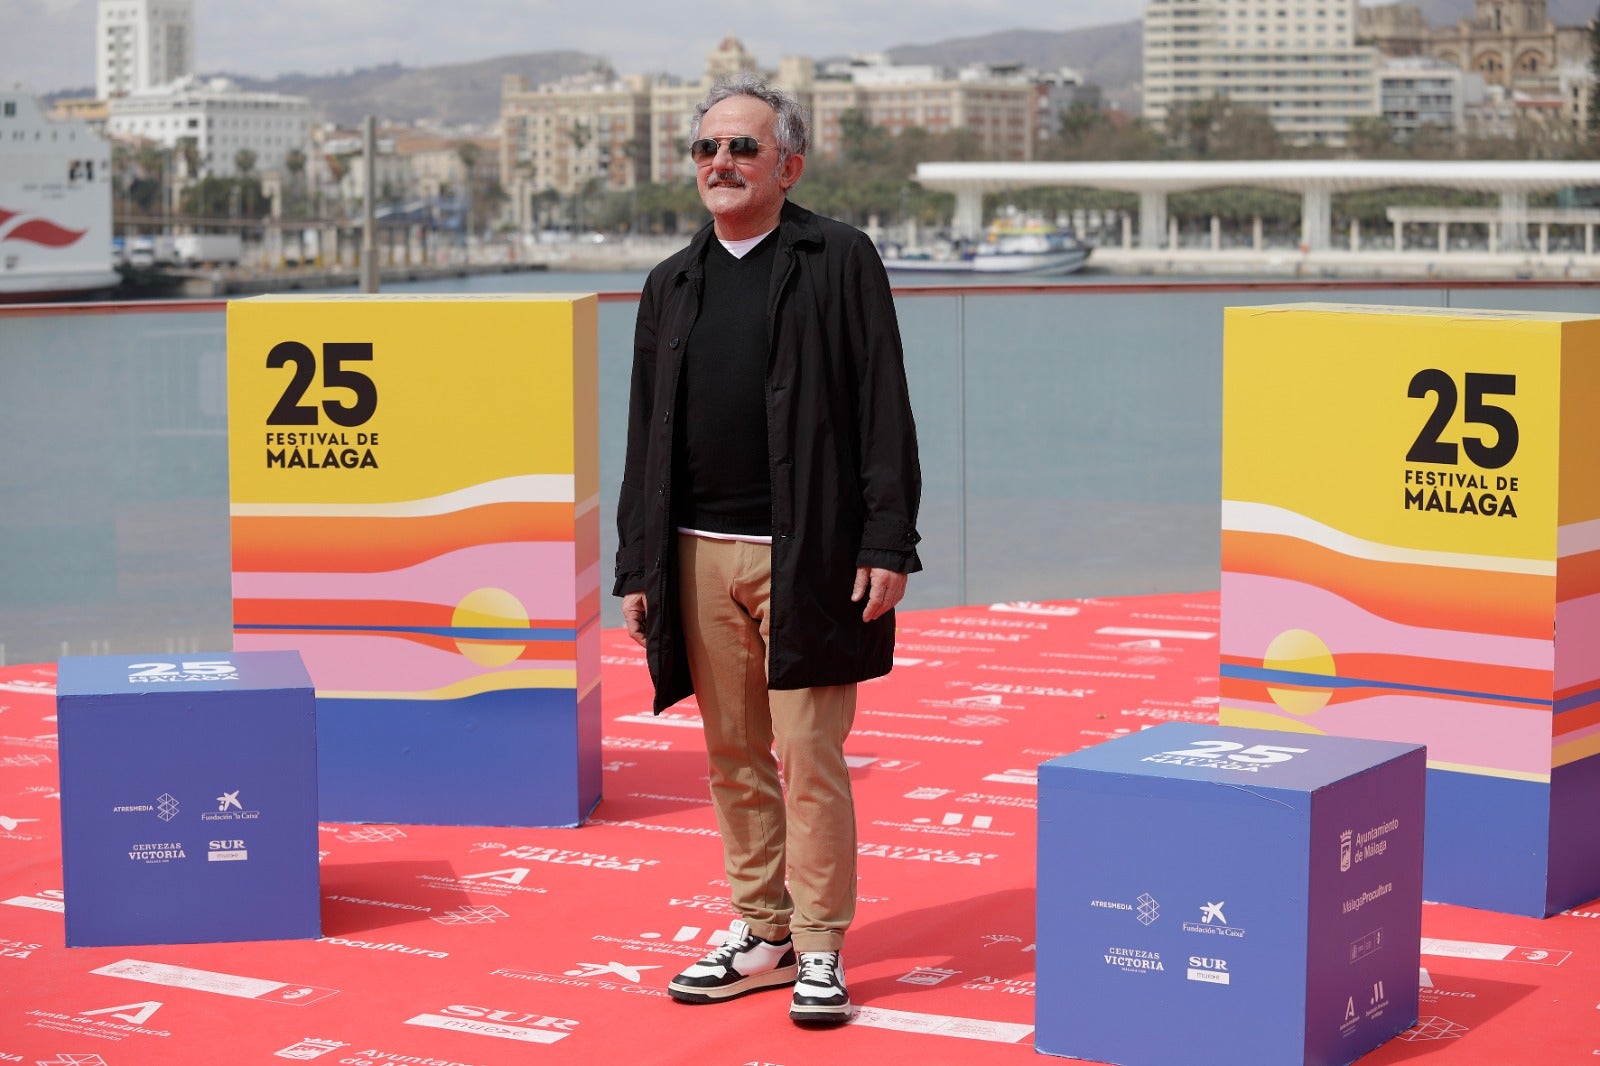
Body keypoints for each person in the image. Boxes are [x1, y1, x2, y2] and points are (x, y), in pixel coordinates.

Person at [613, 71, 922, 1026]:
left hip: (810, 556)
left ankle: (823, 944)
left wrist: (888, 540)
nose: (720, 163)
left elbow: (883, 408)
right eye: (706, 149)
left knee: (809, 755)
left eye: (742, 148)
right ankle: (765, 932)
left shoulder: (839, 259)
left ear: (788, 164)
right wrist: (637, 566)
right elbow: (644, 435)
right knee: (733, 756)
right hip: (698, 555)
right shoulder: (672, 283)